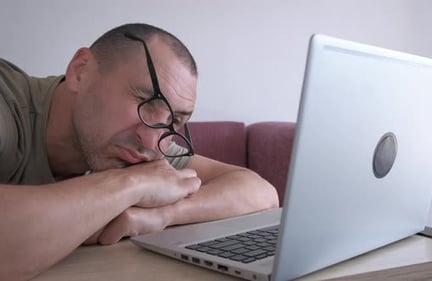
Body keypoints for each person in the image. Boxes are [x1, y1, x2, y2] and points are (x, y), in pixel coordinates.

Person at [0, 23, 278, 281]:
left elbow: (261, 193)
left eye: (174, 121)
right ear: (80, 71)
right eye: (145, 101)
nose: (151, 141)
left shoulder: (143, 143)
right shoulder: (8, 105)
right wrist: (132, 183)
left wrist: (161, 215)